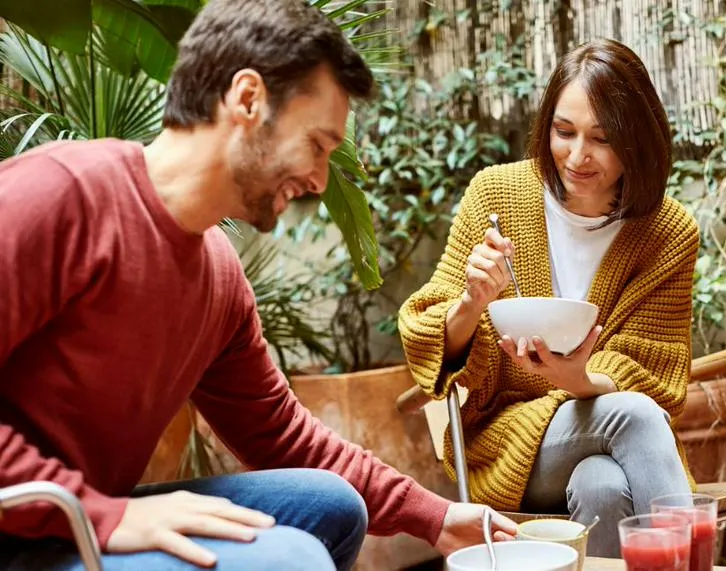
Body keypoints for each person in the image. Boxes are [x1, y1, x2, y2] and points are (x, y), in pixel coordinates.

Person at [0, 0, 517, 569]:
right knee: (290, 557)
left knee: (328, 505)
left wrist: (436, 516)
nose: (321, 179)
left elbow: (283, 435)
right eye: (317, 145)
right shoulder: (59, 194)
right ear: (247, 99)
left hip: (78, 518)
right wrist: (100, 515)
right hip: (24, 528)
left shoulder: (218, 274)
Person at [398, 38, 700, 558]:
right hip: (505, 441)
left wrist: (579, 380)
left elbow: (656, 371)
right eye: (564, 132)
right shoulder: (496, 195)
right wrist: (472, 303)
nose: (577, 156)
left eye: (602, 140)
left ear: (638, 142)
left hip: (602, 427)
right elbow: (425, 336)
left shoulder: (666, 232)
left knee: (601, 484)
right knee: (635, 417)